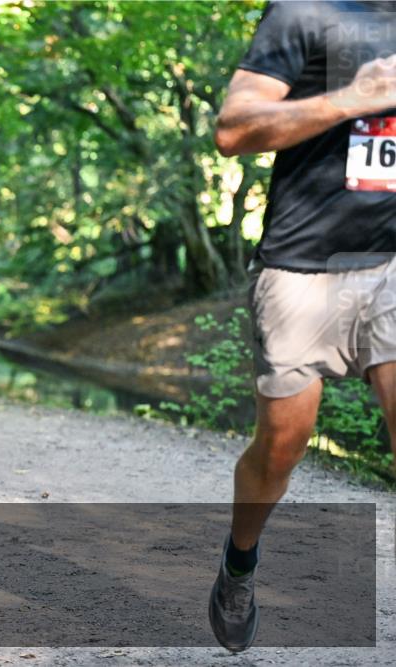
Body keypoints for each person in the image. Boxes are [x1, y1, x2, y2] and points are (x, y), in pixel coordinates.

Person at [209, 1, 395, 653]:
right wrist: (356, 97)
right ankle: (239, 563)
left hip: (391, 267)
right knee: (281, 447)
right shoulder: (305, 11)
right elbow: (233, 129)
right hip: (302, 269)